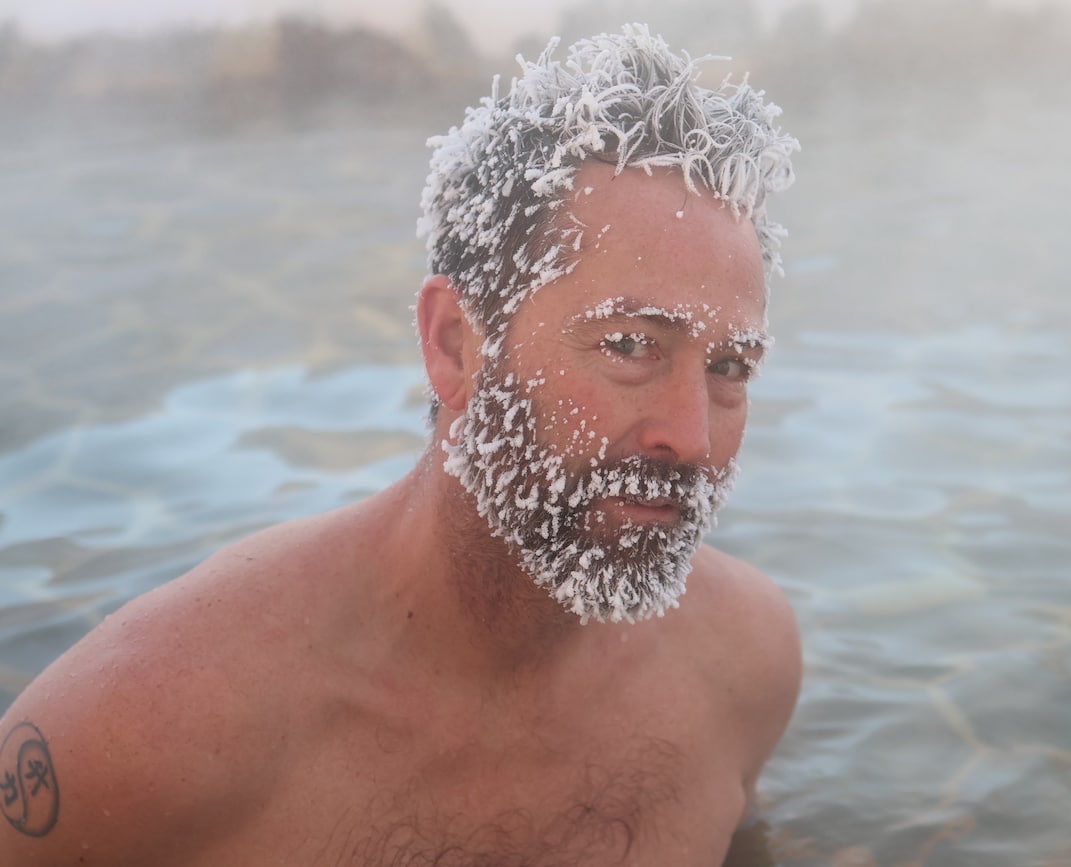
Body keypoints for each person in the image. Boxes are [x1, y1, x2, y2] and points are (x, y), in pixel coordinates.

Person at [0, 23, 801, 866]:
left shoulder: (745, 662)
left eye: (729, 366)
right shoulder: (145, 732)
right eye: (631, 346)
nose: (692, 434)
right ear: (455, 343)